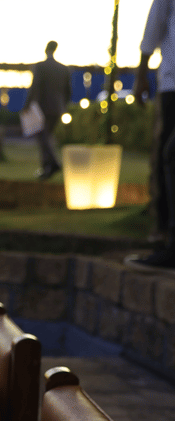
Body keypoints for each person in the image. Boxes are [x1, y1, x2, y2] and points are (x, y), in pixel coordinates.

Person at [125, 0, 175, 274]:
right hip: (171, 84)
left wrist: (141, 75)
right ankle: (166, 236)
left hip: (172, 86)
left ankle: (169, 242)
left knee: (169, 157)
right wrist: (142, 74)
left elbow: (153, 28)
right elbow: (154, 28)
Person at [25, 41, 71, 181]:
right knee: (46, 136)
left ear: (46, 50)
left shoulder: (41, 66)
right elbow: (68, 91)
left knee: (42, 137)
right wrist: (63, 106)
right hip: (57, 108)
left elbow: (35, 86)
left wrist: (27, 105)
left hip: (43, 107)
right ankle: (47, 168)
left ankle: (53, 164)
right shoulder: (63, 68)